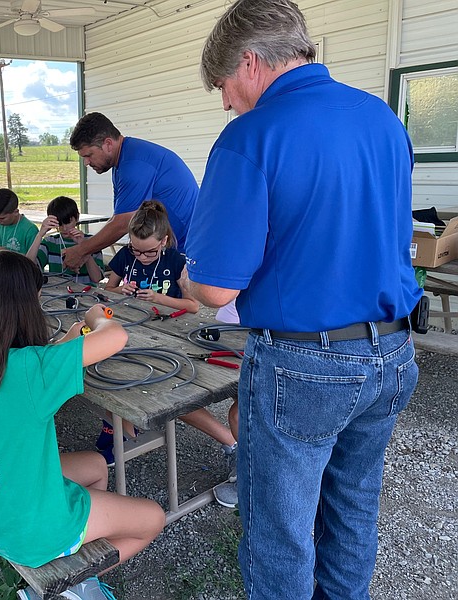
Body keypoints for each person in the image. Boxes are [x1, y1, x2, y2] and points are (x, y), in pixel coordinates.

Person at [183, 1, 422, 598]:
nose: (226, 101)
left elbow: (215, 288)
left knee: (279, 530)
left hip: (305, 366)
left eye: (224, 85)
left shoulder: (252, 135)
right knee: (353, 509)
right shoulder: (382, 118)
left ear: (250, 62)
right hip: (392, 352)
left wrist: (190, 281)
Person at [0, 251, 165, 600]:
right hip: (32, 530)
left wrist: (66, 344)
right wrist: (97, 316)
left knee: (95, 464)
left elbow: (28, 376)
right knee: (153, 518)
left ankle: (79, 559)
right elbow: (116, 337)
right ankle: (68, 585)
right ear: (25, 306)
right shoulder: (32, 370)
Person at [96, 200, 199, 464]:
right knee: (111, 370)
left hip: (165, 334)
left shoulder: (176, 261)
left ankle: (125, 426)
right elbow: (107, 290)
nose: (141, 257)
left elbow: (193, 306)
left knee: (145, 376)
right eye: (135, 250)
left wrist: (158, 298)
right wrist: (122, 291)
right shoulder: (126, 256)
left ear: (163, 241)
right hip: (131, 327)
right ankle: (117, 425)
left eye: (149, 253)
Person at [63, 112, 199, 271]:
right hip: (167, 247)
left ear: (108, 144)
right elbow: (118, 218)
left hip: (187, 249)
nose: (86, 162)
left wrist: (81, 250)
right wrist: (86, 249)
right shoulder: (122, 160)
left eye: (89, 155)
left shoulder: (133, 164)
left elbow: (123, 222)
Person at [179, 298, 240, 509]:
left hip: (271, 342)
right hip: (233, 337)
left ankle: (255, 480)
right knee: (178, 394)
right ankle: (237, 450)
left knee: (240, 414)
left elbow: (206, 296)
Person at [26, 195, 103, 285]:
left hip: (87, 293)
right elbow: (28, 268)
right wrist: (39, 235)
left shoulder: (92, 241)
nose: (64, 228)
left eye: (68, 222)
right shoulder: (50, 242)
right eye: (60, 224)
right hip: (57, 292)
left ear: (77, 218)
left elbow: (97, 278)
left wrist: (84, 248)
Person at [0, 188, 38, 254]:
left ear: (16, 212)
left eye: (2, 218)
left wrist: (8, 253)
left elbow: (33, 261)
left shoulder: (30, 230)